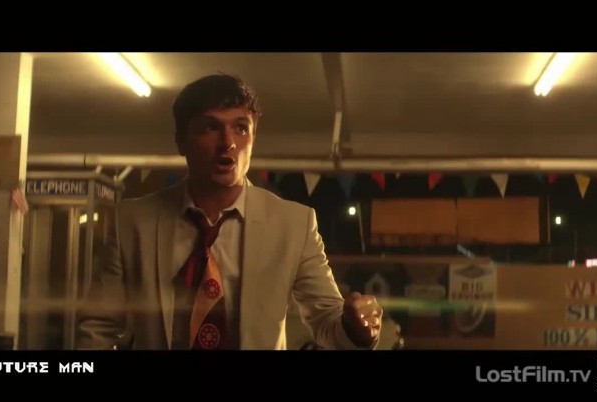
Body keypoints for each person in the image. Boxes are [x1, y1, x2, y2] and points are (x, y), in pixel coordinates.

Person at [77, 73, 382, 350]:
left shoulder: (294, 224)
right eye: (211, 128)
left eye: (240, 128)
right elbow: (99, 328)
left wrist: (355, 329)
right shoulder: (133, 221)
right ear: (181, 141)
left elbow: (327, 319)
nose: (228, 144)